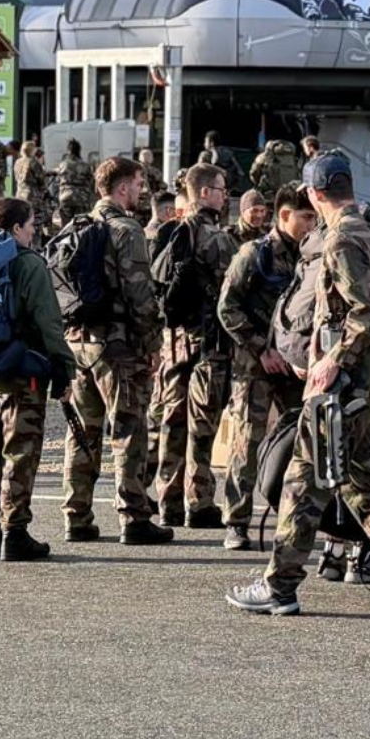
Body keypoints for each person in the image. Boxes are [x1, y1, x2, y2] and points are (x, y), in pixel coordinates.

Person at [226, 153, 370, 614]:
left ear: (314, 193)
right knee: (358, 481)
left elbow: (366, 311)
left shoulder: (342, 239)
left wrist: (333, 360)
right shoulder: (367, 230)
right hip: (360, 383)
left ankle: (281, 585)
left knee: (304, 481)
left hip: (343, 385)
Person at [62, 156, 172, 545]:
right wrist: (153, 343)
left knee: (82, 432)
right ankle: (134, 517)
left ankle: (77, 516)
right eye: (139, 184)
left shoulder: (79, 226)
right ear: (122, 187)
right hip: (118, 347)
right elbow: (141, 295)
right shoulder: (128, 230)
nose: (142, 191)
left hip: (79, 343)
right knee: (128, 430)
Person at [0, 198, 76, 561]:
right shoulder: (28, 263)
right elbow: (48, 321)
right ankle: (15, 532)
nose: (34, 231)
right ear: (16, 228)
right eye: (30, 225)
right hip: (19, 373)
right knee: (20, 451)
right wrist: (63, 367)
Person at [218, 184, 316, 549]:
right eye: (306, 217)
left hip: (294, 366)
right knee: (247, 442)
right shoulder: (253, 254)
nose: (311, 223)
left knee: (300, 443)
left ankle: (293, 518)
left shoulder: (311, 255)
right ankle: (237, 521)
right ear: (285, 215)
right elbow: (227, 308)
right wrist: (261, 349)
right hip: (255, 365)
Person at [155, 162, 237, 528]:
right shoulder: (218, 239)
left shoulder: (171, 231)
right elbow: (231, 294)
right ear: (204, 193)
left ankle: (168, 500)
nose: (224, 196)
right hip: (208, 344)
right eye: (221, 190)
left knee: (172, 422)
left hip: (175, 341)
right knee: (201, 426)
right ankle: (199, 501)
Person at [14, 141, 50, 245]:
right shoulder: (33, 162)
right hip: (33, 196)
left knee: (23, 220)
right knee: (35, 222)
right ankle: (35, 246)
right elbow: (41, 179)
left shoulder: (18, 162)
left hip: (20, 194)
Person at [249, 139, 301, 203]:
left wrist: (258, 183)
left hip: (269, 196)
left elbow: (253, 173)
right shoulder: (294, 159)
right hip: (289, 196)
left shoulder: (263, 157)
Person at [56, 139, 94, 225]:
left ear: (68, 151)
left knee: (66, 227)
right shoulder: (85, 165)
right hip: (82, 199)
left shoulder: (63, 164)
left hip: (65, 197)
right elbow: (91, 182)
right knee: (81, 227)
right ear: (79, 150)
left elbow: (58, 179)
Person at [198, 130, 246, 195]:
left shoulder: (205, 155)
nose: (204, 143)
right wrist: (230, 188)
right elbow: (240, 173)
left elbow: (198, 172)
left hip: (209, 192)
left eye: (205, 141)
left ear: (211, 143)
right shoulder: (228, 153)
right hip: (225, 191)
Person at [136, 147, 166, 223]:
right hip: (138, 205)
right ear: (140, 157)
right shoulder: (135, 170)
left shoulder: (155, 172)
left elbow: (163, 187)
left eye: (149, 155)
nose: (147, 157)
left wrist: (156, 196)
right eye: (144, 155)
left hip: (151, 205)